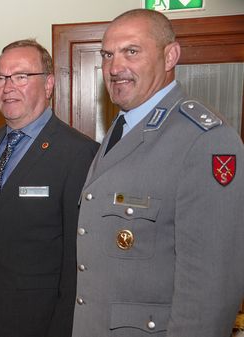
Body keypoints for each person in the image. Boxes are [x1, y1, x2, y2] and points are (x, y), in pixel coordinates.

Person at [72, 9, 244, 337]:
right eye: (108, 54)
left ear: (170, 56)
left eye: (131, 51)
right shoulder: (124, 126)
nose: (115, 67)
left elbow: (211, 290)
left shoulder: (204, 140)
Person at [0, 39, 99, 337]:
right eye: (0, 77)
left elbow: (76, 257)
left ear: (48, 84)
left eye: (21, 76)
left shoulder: (78, 153)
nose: (7, 86)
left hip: (40, 318)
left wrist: (63, 327)